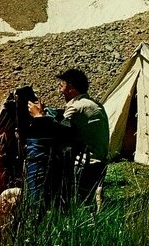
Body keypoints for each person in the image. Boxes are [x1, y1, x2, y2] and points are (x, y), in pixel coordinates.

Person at [27, 68, 110, 207]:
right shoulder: (92, 103)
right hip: (98, 163)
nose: (59, 90)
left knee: (76, 204)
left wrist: (39, 117)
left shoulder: (77, 107)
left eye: (62, 86)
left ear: (70, 87)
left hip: (85, 165)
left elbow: (59, 133)